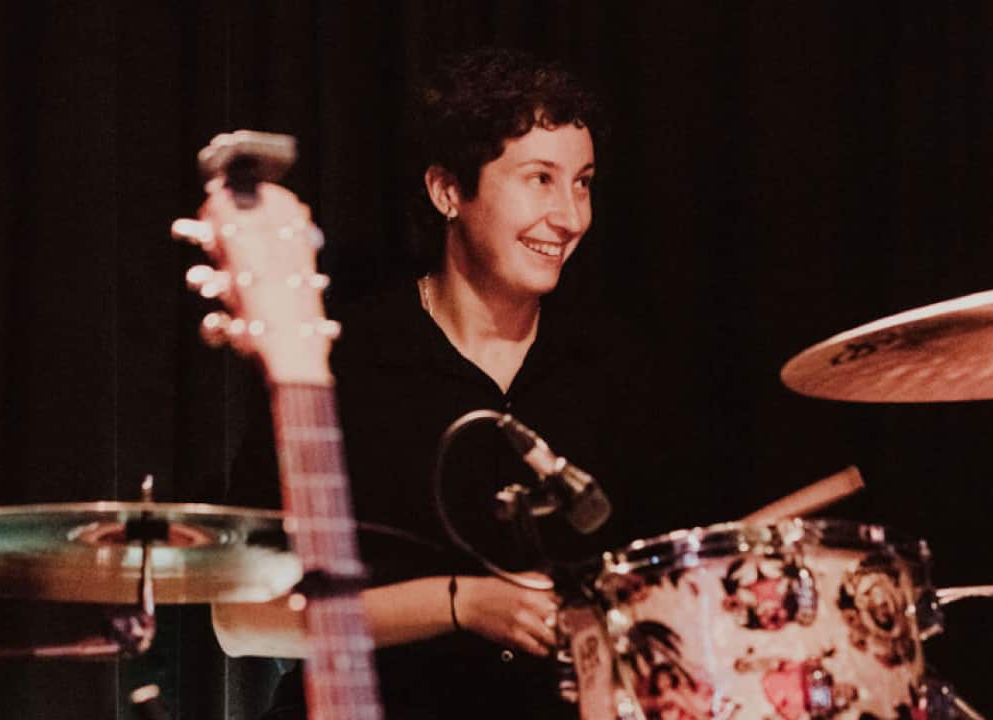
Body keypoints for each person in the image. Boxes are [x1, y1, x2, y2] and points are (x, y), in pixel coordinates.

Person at [203, 47, 698, 720]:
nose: (570, 216)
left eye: (582, 182)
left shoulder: (619, 369)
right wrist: (461, 605)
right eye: (539, 179)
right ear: (447, 191)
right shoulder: (342, 363)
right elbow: (242, 620)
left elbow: (673, 603)